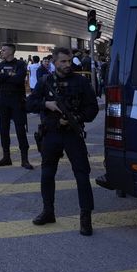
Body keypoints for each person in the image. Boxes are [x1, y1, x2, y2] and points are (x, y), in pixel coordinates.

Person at [26, 47, 100, 236]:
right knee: (47, 174)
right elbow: (29, 104)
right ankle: (48, 212)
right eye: (63, 62)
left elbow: (93, 108)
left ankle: (85, 218)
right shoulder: (45, 82)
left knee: (82, 175)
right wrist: (46, 104)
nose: (68, 65)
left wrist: (77, 117)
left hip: (72, 134)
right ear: (54, 62)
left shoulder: (81, 82)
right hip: (51, 133)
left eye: (69, 61)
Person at [0, 44, 33, 170]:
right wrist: (10, 75)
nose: (1, 52)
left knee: (20, 129)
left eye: (4, 50)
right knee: (4, 129)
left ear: (11, 51)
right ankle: (6, 157)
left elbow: (19, 79)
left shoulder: (20, 64)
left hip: (17, 100)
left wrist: (4, 76)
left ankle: (24, 159)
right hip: (3, 100)